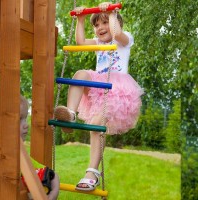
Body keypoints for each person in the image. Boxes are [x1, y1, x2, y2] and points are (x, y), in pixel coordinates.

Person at [54, 2, 144, 191]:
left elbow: (116, 33)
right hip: (98, 84)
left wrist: (111, 13)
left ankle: (92, 172)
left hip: (117, 90)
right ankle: (70, 113)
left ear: (115, 22)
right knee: (80, 74)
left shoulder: (125, 38)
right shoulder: (98, 43)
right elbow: (80, 42)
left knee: (96, 123)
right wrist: (80, 20)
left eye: (104, 23)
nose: (100, 28)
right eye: (96, 25)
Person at [20, 95, 60, 200]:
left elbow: (35, 166)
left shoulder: (20, 151)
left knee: (54, 176)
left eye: (25, 119)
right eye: (19, 119)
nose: (26, 125)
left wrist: (51, 175)